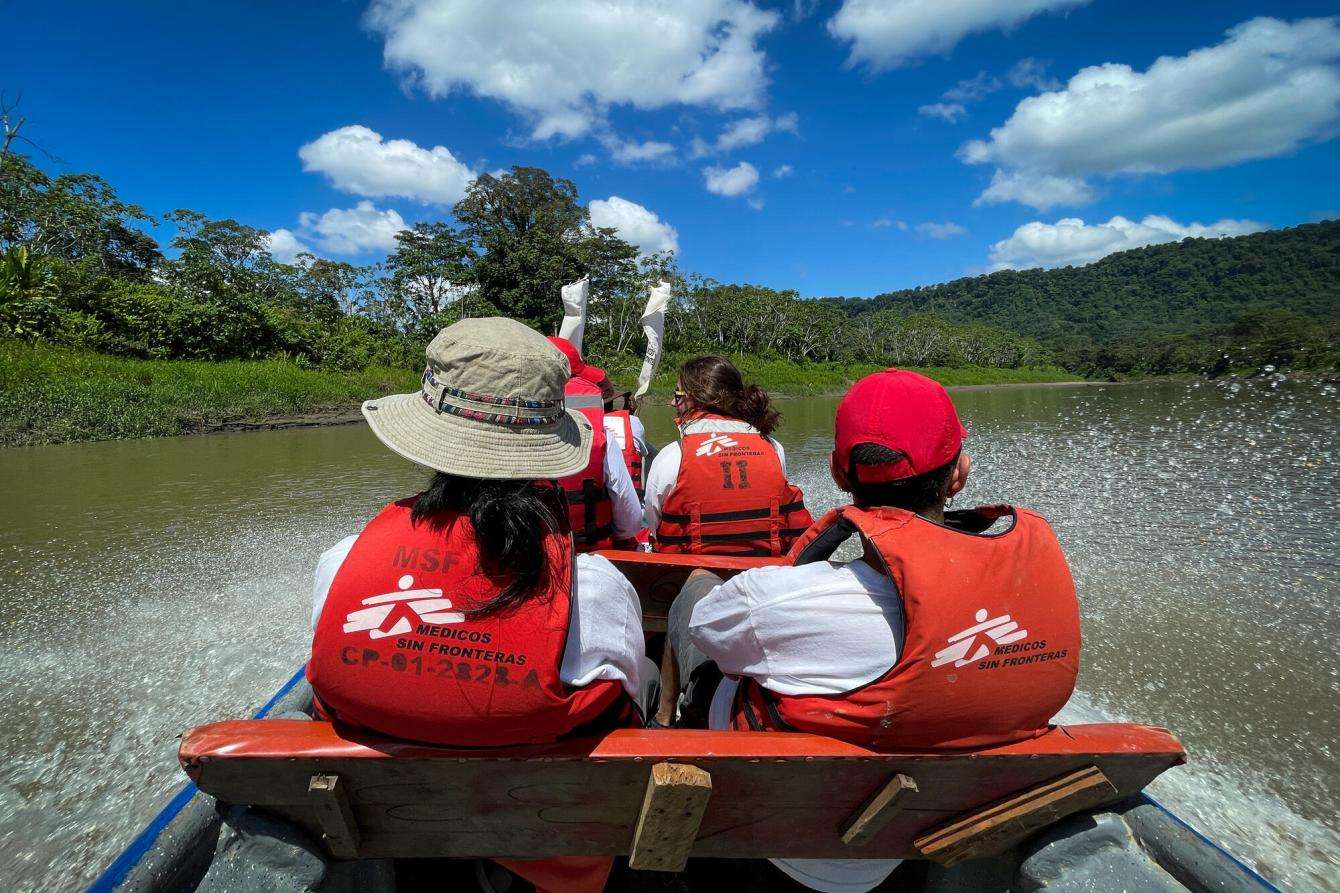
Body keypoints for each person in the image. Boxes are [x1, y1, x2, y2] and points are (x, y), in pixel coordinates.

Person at [666, 369, 1082, 892]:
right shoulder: (1034, 592)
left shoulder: (783, 601)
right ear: (960, 474)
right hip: (923, 836)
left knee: (698, 591)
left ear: (841, 477)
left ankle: (669, 726)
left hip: (779, 850)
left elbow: (707, 633)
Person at [308, 318, 654, 893]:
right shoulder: (593, 585)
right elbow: (628, 702)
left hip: (398, 828)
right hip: (548, 838)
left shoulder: (342, 561)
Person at [644, 355, 811, 556]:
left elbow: (654, 525)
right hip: (762, 574)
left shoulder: (671, 456)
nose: (672, 402)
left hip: (687, 575)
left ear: (698, 398)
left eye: (677, 394)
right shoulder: (774, 448)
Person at [546, 336, 642, 551]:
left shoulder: (500, 433)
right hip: (589, 553)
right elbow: (631, 523)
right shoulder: (603, 439)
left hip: (524, 558)